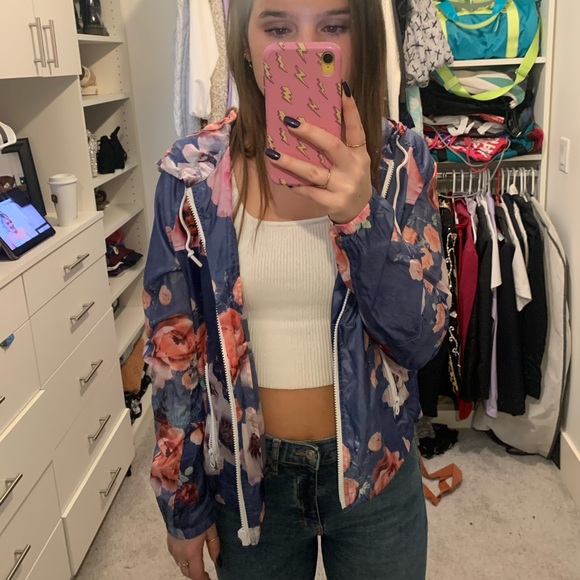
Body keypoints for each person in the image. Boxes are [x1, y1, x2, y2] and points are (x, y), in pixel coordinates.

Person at [143, 1, 450, 579]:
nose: (305, 48)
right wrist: (182, 502)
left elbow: (421, 340)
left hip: (377, 473)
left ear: (363, 38)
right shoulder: (191, 175)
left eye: (333, 26)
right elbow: (172, 353)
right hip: (250, 484)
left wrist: (361, 215)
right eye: (279, 28)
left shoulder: (401, 160)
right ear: (244, 41)